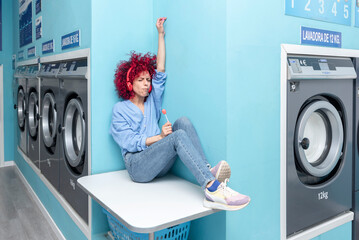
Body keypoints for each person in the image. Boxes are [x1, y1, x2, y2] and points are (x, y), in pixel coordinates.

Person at [110, 17, 250, 211]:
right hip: (138, 168)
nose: (146, 84)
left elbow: (160, 69)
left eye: (147, 80)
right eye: (140, 80)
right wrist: (159, 137)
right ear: (128, 84)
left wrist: (160, 34)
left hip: (159, 164)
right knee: (177, 137)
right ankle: (212, 189)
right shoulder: (120, 110)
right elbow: (129, 143)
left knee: (182, 122)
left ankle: (207, 171)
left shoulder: (152, 101)